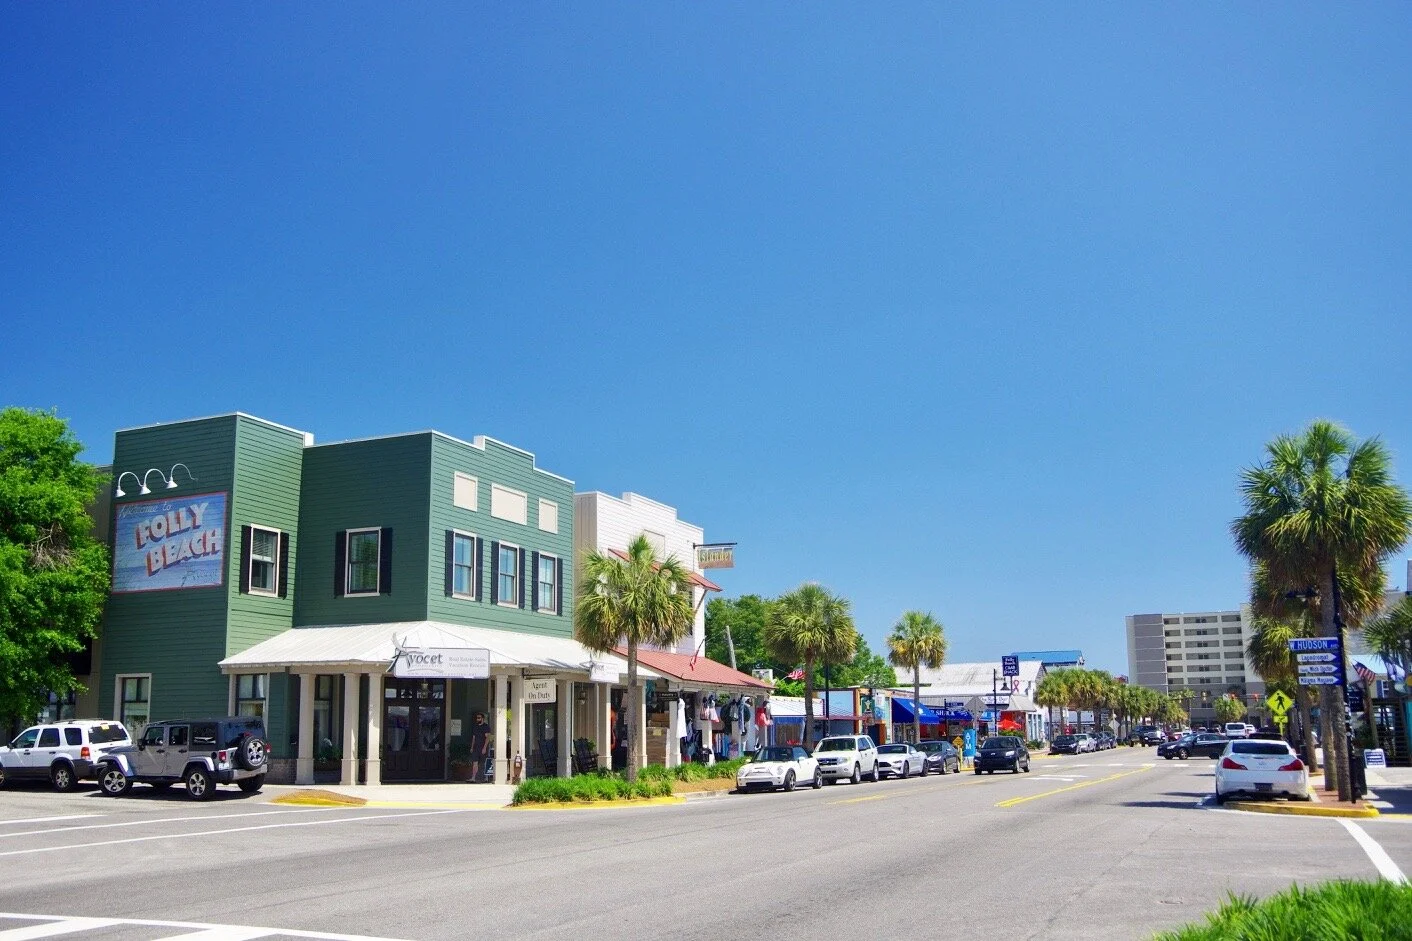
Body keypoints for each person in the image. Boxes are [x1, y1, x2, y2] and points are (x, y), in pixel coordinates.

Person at [469, 711, 492, 783]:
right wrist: (472, 747)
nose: (477, 719)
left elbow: (488, 738)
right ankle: (473, 778)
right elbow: (474, 738)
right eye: (477, 718)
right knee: (475, 763)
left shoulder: (486, 727)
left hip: (483, 748)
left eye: (479, 718)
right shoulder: (475, 726)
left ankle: (486, 778)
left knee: (485, 762)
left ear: (482, 718)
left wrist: (484, 748)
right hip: (476, 748)